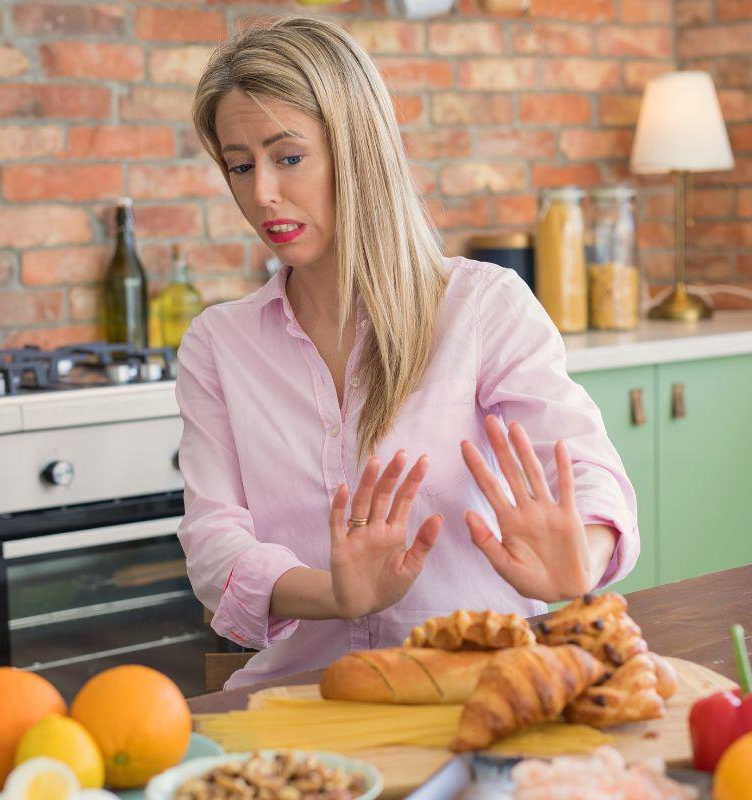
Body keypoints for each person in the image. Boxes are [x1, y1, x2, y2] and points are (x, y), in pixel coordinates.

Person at [178, 15, 638, 690]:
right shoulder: (218, 345)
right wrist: (337, 594)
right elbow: (214, 542)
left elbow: (589, 474)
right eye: (240, 166)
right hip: (306, 699)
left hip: (484, 689)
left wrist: (583, 557)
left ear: (356, 149)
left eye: (289, 157)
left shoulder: (482, 307)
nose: (262, 194)